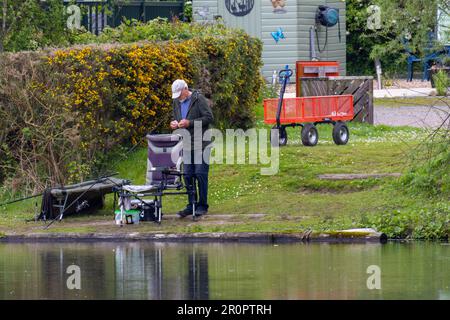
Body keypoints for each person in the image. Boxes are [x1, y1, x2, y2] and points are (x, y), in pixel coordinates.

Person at [170, 79, 214, 217]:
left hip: (202, 142)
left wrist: (189, 123)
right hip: (187, 143)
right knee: (188, 175)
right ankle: (191, 204)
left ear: (185, 89)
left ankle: (202, 205)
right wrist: (174, 124)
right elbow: (177, 118)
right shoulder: (176, 101)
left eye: (179, 94)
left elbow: (209, 117)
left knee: (200, 173)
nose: (178, 97)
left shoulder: (198, 98)